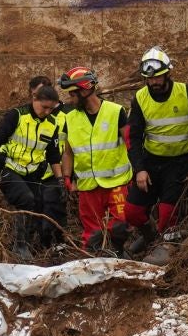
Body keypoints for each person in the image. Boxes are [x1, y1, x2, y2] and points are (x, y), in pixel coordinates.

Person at [120, 47, 188, 259]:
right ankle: (150, 236)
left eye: (158, 77)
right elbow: (133, 137)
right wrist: (139, 169)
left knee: (167, 213)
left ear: (168, 73)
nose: (154, 83)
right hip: (150, 162)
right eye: (149, 79)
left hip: (179, 162)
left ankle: (166, 246)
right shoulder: (140, 98)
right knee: (132, 213)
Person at [0, 83, 66, 257]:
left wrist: (60, 180)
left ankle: (31, 246)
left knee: (37, 206)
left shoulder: (52, 124)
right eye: (44, 107)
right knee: (26, 199)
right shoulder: (17, 116)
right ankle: (20, 246)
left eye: (51, 109)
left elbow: (54, 156)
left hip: (32, 172)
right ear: (34, 99)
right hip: (8, 167)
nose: (47, 112)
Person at [56, 65, 134, 253]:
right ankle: (92, 262)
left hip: (117, 182)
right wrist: (66, 177)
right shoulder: (70, 118)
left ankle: (119, 254)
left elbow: (130, 143)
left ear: (85, 90)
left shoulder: (116, 112)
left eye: (73, 94)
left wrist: (139, 170)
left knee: (121, 226)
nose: (70, 99)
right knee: (92, 233)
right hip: (88, 185)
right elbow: (68, 152)